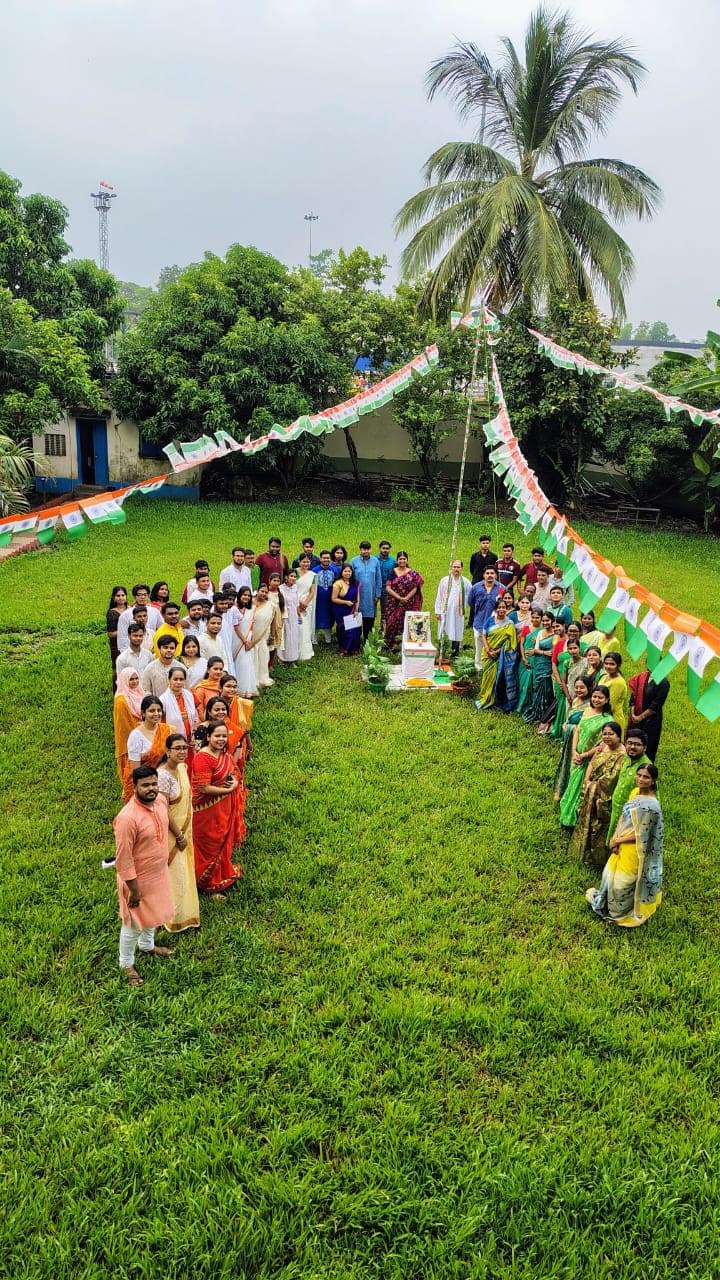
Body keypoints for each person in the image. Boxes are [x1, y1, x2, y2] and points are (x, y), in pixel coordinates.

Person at [113, 766, 175, 987]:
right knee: (133, 923)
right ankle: (126, 963)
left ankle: (147, 945)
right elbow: (123, 859)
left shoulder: (159, 802)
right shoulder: (127, 818)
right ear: (135, 787)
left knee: (155, 913)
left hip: (158, 872)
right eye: (146, 785)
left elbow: (166, 820)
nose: (152, 789)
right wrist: (134, 888)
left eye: (154, 784)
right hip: (138, 880)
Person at [586, 764, 664, 927]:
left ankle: (618, 915)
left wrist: (619, 840)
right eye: (639, 775)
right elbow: (624, 815)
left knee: (623, 882)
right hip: (621, 840)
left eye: (646, 777)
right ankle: (607, 904)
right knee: (610, 876)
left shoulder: (651, 805)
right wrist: (615, 836)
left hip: (634, 848)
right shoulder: (635, 793)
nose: (641, 779)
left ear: (653, 781)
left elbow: (642, 834)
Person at [192, 721, 244, 898]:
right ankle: (207, 883)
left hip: (223, 808)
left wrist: (235, 783)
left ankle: (220, 874)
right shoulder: (202, 758)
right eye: (217, 736)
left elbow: (234, 772)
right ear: (208, 737)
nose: (221, 739)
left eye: (224, 736)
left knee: (222, 839)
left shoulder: (223, 754)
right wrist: (227, 790)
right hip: (206, 811)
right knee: (210, 844)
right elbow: (203, 788)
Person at [157, 734, 200, 934]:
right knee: (176, 873)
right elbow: (163, 810)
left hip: (186, 828)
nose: (182, 752)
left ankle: (186, 910)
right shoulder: (162, 776)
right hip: (171, 833)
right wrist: (179, 835)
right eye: (178, 748)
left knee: (185, 870)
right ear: (168, 752)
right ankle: (173, 916)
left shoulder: (182, 768)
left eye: (185, 747)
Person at [568, 721, 626, 866]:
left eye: (611, 734)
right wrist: (587, 780)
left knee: (597, 826)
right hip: (591, 789)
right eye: (604, 734)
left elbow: (611, 779)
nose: (607, 737)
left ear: (619, 736)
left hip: (603, 797)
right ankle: (582, 851)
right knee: (586, 819)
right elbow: (593, 763)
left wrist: (593, 785)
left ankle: (595, 859)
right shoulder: (603, 746)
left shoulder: (622, 755)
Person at [558, 687, 613, 827]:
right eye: (594, 696)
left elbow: (602, 746)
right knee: (572, 784)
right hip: (577, 755)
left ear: (606, 700)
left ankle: (574, 819)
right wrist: (574, 751)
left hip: (588, 760)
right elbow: (577, 730)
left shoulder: (607, 719)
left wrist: (583, 755)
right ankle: (565, 811)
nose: (596, 699)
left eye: (600, 697)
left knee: (579, 789)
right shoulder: (587, 711)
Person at [123, 695, 173, 800]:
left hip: (162, 778)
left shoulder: (167, 730)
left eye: (159, 710)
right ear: (143, 713)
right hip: (143, 783)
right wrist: (149, 785)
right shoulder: (136, 736)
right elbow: (136, 769)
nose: (156, 714)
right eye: (152, 711)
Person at [552, 674, 593, 802]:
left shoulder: (590, 706)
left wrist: (572, 728)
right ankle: (562, 788)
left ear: (589, 688)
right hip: (568, 735)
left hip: (578, 739)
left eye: (582, 687)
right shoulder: (575, 700)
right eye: (576, 687)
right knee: (566, 760)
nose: (579, 690)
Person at [475, 595, 518, 711]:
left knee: (496, 678)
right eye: (499, 607)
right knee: (486, 677)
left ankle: (494, 699)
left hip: (500, 656)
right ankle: (484, 697)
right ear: (495, 609)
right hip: (487, 653)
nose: (501, 609)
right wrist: (488, 650)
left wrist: (498, 652)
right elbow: (483, 635)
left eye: (503, 607)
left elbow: (511, 642)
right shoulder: (490, 620)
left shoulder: (510, 623)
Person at [607, 728, 651, 839]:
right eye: (629, 743)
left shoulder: (646, 769)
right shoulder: (626, 758)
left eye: (637, 744)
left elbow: (650, 799)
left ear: (644, 748)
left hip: (631, 817)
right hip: (616, 810)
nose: (632, 747)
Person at [522, 611, 556, 733]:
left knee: (547, 690)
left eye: (548, 620)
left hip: (549, 664)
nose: (546, 622)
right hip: (539, 663)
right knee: (538, 687)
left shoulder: (556, 634)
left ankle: (546, 715)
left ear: (552, 621)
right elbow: (535, 649)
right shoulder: (541, 632)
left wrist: (545, 653)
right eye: (544, 621)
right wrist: (544, 653)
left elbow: (555, 650)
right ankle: (538, 712)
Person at [628, 662, 670, 761]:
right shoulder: (641, 677)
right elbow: (633, 697)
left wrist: (641, 717)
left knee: (648, 746)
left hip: (650, 720)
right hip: (636, 717)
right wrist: (633, 713)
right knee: (633, 742)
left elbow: (656, 705)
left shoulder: (663, 682)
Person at [384, 552, 424, 648]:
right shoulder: (392, 572)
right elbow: (388, 588)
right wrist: (399, 598)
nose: (402, 561)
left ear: (407, 560)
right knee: (391, 622)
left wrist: (406, 598)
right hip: (394, 602)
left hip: (409, 603)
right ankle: (392, 645)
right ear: (397, 560)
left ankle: (408, 644)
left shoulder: (412, 573)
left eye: (404, 559)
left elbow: (415, 588)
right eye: (400, 559)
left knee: (408, 621)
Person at [435, 560, 472, 658]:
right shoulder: (445, 580)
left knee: (457, 631)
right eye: (454, 567)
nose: (456, 569)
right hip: (445, 612)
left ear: (462, 569)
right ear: (451, 568)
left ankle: (455, 653)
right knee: (444, 630)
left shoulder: (466, 582)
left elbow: (471, 596)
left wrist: (465, 606)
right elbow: (439, 595)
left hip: (458, 613)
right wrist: (438, 611)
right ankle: (442, 652)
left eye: (458, 567)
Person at [468, 567, 503, 666]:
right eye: (487, 573)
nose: (490, 575)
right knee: (479, 647)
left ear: (496, 575)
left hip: (495, 624)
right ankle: (478, 666)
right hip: (479, 622)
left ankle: (490, 666)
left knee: (493, 646)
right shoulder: (476, 588)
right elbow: (470, 602)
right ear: (483, 575)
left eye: (492, 573)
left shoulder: (502, 588)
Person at [113, 668, 144, 782]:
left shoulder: (139, 692)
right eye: (131, 679)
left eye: (137, 678)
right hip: (130, 740)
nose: (135, 682)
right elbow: (124, 726)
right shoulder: (121, 700)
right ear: (124, 680)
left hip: (143, 736)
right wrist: (140, 731)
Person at [550, 633, 581, 741]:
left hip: (581, 692)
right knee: (568, 713)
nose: (573, 650)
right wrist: (568, 695)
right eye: (570, 648)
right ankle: (566, 737)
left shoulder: (585, 662)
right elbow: (564, 680)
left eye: (575, 648)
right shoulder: (567, 662)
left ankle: (576, 738)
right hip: (569, 692)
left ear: (579, 648)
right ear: (567, 650)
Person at [350, 542, 382, 639]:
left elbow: (378, 578)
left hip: (371, 595)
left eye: (368, 549)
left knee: (369, 618)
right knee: (357, 616)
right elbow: (349, 577)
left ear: (370, 549)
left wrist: (377, 595)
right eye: (364, 549)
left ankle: (367, 640)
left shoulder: (375, 561)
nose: (366, 551)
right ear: (360, 549)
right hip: (357, 595)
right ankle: (356, 639)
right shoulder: (353, 561)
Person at [249, 583, 277, 688]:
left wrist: (272, 635)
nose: (263, 594)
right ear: (257, 591)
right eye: (262, 591)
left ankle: (262, 677)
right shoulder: (249, 602)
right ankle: (252, 678)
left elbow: (273, 621)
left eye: (266, 592)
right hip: (250, 636)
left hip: (263, 636)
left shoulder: (270, 605)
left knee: (263, 656)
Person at [117, 584, 161, 651]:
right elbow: (122, 638)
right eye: (139, 595)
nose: (143, 597)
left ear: (148, 596)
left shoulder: (155, 612)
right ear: (134, 597)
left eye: (145, 594)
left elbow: (161, 629)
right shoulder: (125, 615)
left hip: (152, 652)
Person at [160, 665, 199, 741]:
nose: (178, 682)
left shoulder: (189, 695)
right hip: (172, 739)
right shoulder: (163, 699)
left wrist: (195, 732)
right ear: (169, 680)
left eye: (181, 679)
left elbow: (196, 716)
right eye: (175, 679)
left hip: (191, 737)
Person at [517, 605, 542, 715]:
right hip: (525, 659)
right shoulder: (526, 629)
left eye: (537, 617)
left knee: (532, 684)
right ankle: (520, 705)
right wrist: (523, 658)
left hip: (535, 659)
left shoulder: (542, 631)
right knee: (522, 683)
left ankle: (529, 705)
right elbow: (521, 644)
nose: (535, 619)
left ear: (541, 618)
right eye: (533, 617)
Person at [332, 564, 362, 655]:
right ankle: (344, 649)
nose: (347, 573)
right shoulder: (338, 583)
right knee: (344, 629)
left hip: (353, 609)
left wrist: (356, 610)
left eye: (349, 571)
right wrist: (346, 602)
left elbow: (357, 598)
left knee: (355, 630)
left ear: (352, 572)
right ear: (342, 572)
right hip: (341, 609)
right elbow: (334, 599)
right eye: (345, 571)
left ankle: (354, 649)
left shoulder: (355, 583)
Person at [233, 587, 258, 696]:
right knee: (237, 663)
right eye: (244, 595)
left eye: (248, 595)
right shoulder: (234, 608)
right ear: (239, 596)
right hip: (236, 639)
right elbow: (236, 627)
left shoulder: (251, 609)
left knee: (246, 664)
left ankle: (246, 690)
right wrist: (244, 640)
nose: (246, 597)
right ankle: (236, 689)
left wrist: (250, 640)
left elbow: (251, 625)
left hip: (247, 640)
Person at [599, 651, 630, 737]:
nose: (608, 666)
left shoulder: (618, 683)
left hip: (612, 718)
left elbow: (611, 705)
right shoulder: (605, 676)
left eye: (612, 664)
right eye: (606, 663)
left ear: (618, 665)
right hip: (601, 714)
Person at [295, 555, 317, 660]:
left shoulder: (312, 575)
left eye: (308, 562)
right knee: (296, 627)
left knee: (305, 626)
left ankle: (305, 651)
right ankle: (294, 650)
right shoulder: (294, 573)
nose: (306, 564)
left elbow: (312, 591)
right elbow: (290, 588)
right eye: (304, 562)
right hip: (294, 603)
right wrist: (299, 603)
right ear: (299, 562)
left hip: (307, 604)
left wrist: (305, 603)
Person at [107, 586, 128, 690]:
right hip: (117, 646)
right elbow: (110, 634)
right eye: (118, 596)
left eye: (123, 595)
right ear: (113, 598)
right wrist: (125, 630)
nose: (121, 598)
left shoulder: (131, 610)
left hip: (131, 643)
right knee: (118, 669)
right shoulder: (112, 613)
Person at [313, 550, 336, 644]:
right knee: (317, 616)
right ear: (320, 558)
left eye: (327, 558)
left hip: (330, 598)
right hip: (318, 598)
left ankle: (328, 637)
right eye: (324, 558)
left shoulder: (334, 570)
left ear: (330, 559)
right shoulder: (314, 571)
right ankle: (314, 637)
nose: (326, 559)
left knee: (329, 616)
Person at [377, 540, 397, 629]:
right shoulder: (374, 559)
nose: (385, 550)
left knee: (385, 611)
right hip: (375, 589)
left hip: (387, 589)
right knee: (370, 611)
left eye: (387, 549)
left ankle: (383, 631)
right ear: (380, 549)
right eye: (383, 548)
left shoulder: (393, 562)